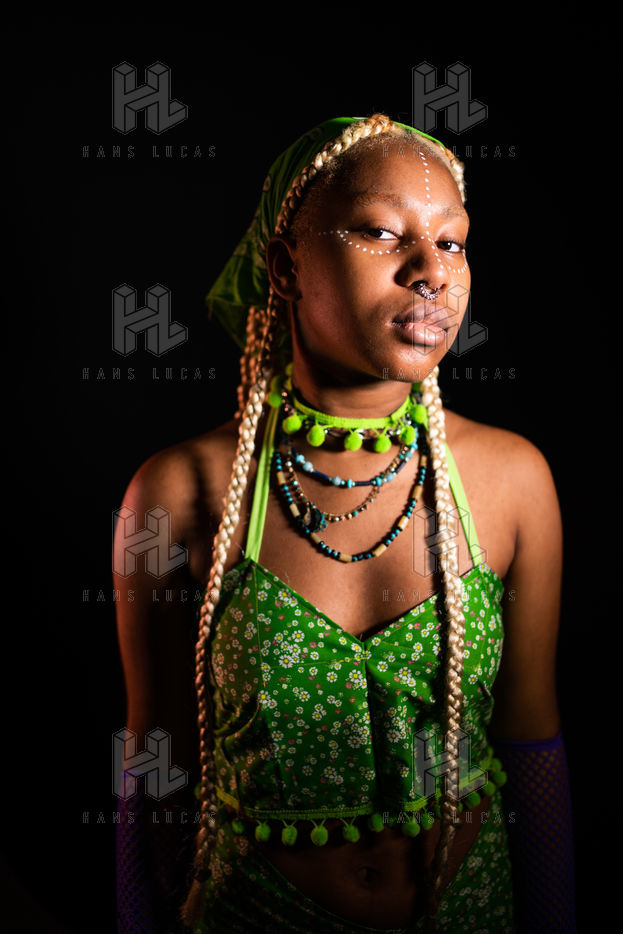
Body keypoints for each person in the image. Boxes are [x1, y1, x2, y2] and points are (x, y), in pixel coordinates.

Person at [114, 114, 577, 933]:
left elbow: (530, 737)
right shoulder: (177, 491)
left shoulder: (512, 481)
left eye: (452, 242)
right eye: (380, 233)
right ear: (286, 265)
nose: (430, 270)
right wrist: (135, 919)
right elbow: (156, 753)